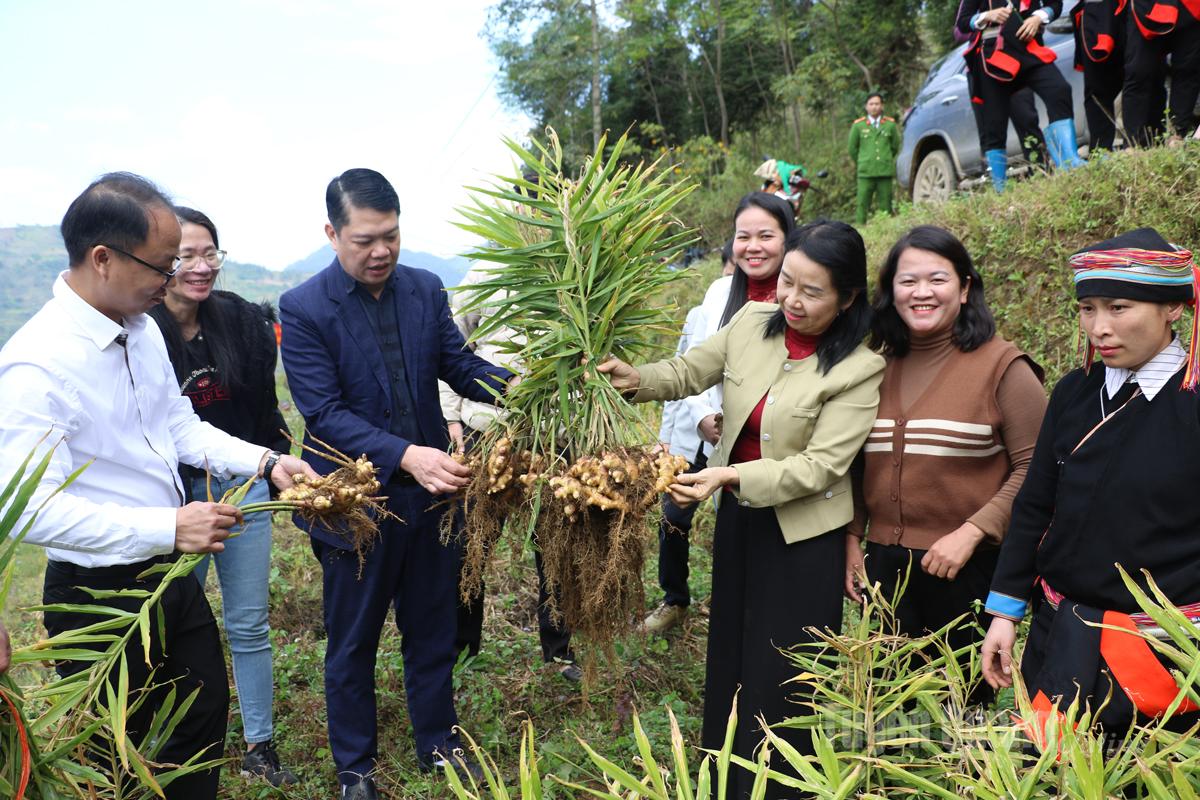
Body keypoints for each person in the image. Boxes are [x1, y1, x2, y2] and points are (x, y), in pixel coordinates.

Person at [0, 172, 315, 800]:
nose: (173, 281)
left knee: (198, 727)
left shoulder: (139, 331)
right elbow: (30, 511)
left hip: (167, 576)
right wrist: (169, 526)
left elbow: (177, 426)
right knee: (121, 756)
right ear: (103, 259)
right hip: (99, 595)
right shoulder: (37, 364)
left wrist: (265, 462)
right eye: (163, 266)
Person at [600, 219, 884, 799]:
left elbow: (821, 467)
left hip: (805, 535)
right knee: (731, 646)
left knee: (786, 663)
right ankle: (726, 774)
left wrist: (728, 474)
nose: (791, 300)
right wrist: (637, 378)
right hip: (741, 517)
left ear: (849, 297)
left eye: (812, 291)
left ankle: (786, 783)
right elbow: (687, 371)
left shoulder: (860, 366)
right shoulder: (753, 321)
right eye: (787, 282)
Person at [279, 168, 512, 800]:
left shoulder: (424, 289)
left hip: (431, 495)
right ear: (332, 233)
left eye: (391, 235)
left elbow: (458, 365)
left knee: (433, 628)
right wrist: (407, 454)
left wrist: (523, 388)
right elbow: (323, 413)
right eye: (364, 240)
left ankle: (438, 743)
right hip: (355, 505)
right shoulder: (303, 308)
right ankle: (356, 768)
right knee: (353, 640)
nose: (381, 251)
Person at [981, 228, 1200, 736]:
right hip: (1061, 631)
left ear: (1173, 308)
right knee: (1049, 774)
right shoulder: (1075, 394)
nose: (1099, 327)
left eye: (1119, 307)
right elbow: (1035, 506)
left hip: (1163, 647)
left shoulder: (1192, 403)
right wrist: (1006, 612)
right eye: (1088, 309)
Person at [846, 225, 1047, 707]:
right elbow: (850, 462)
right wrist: (853, 537)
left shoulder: (1004, 368)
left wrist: (972, 531)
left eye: (937, 279)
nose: (921, 292)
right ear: (889, 290)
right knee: (889, 713)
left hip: (967, 570)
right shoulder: (872, 367)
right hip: (884, 572)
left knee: (963, 715)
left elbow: (1037, 470)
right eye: (907, 280)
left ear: (965, 288)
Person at [146, 208, 296, 787]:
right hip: (173, 500)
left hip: (244, 489)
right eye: (185, 256)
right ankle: (173, 739)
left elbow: (263, 412)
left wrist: (277, 467)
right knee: (172, 625)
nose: (200, 267)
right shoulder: (141, 330)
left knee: (249, 624)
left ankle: (260, 743)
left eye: (210, 253)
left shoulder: (243, 322)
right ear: (161, 260)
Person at [439, 264, 577, 681]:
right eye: (528, 197)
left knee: (557, 543)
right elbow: (449, 346)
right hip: (486, 427)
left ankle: (559, 649)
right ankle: (461, 647)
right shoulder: (485, 271)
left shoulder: (576, 267)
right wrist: (449, 415)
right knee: (470, 544)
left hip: (553, 431)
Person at [643, 243, 737, 634]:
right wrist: (666, 441)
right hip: (689, 440)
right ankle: (675, 600)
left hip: (732, 447)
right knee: (673, 518)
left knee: (731, 526)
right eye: (733, 267)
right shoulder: (702, 314)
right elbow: (677, 379)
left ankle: (730, 602)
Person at [956, 0, 1085, 192]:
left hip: (1029, 49)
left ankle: (1069, 161)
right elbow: (963, 22)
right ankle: (1000, 189)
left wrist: (1037, 17)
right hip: (994, 57)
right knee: (994, 125)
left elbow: (1055, 5)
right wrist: (985, 16)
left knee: (1059, 89)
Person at [1122, 0, 1200, 146]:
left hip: (1191, 8)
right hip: (1146, 7)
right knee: (1139, 71)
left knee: (1187, 71)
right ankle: (1133, 142)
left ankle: (1177, 134)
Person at [848, 93, 902, 224]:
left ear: (882, 106)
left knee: (886, 205)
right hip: (866, 172)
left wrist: (886, 158)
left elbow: (895, 146)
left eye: (877, 104)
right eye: (871, 104)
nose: (874, 107)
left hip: (884, 171)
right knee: (862, 204)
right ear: (866, 107)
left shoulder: (890, 125)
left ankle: (885, 230)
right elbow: (852, 149)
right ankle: (860, 231)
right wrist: (862, 161)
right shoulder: (858, 125)